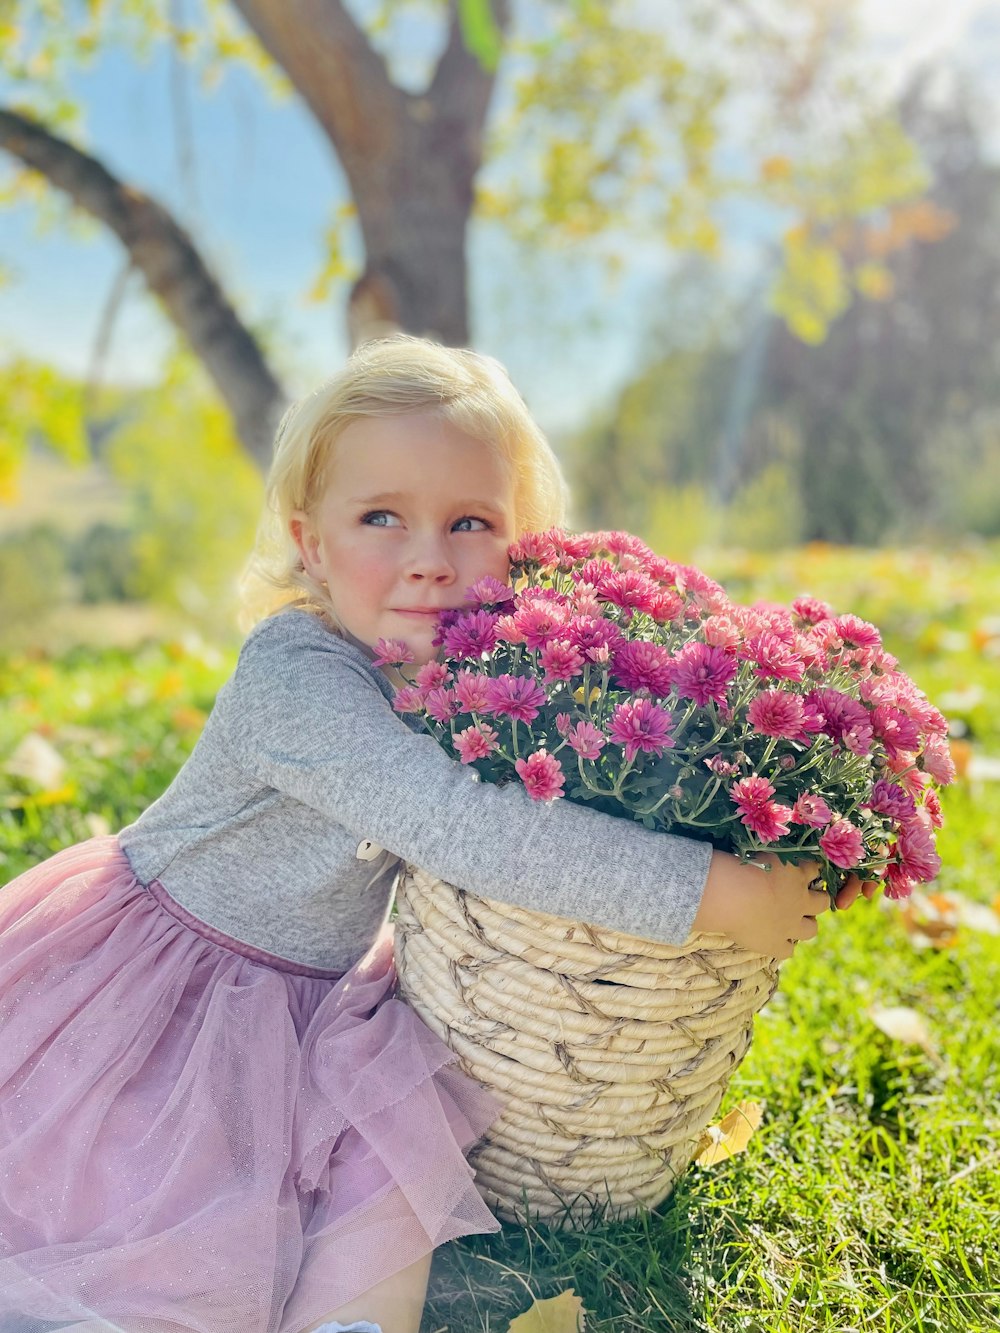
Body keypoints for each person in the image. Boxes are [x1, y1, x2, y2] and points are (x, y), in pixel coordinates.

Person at [0, 335, 873, 1333]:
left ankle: (354, 1323)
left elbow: (555, 804)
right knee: (152, 1189)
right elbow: (460, 826)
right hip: (170, 988)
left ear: (526, 547)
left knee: (385, 1144)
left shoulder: (473, 676)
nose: (427, 558)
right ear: (311, 544)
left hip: (315, 994)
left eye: (470, 521)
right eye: (380, 517)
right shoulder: (296, 670)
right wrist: (712, 891)